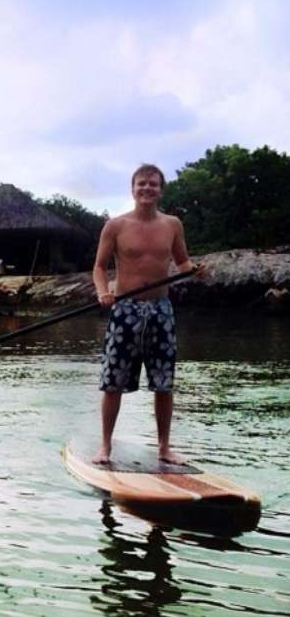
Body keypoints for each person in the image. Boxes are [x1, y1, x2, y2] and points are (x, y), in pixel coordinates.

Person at [92, 164, 205, 464]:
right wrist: (103, 292)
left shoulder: (172, 225)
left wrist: (193, 271)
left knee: (163, 383)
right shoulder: (115, 226)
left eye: (153, 184)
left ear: (160, 190)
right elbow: (100, 267)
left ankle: (164, 448)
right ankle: (105, 446)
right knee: (112, 381)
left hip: (161, 310)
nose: (147, 189)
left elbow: (182, 262)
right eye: (142, 184)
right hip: (124, 310)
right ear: (133, 189)